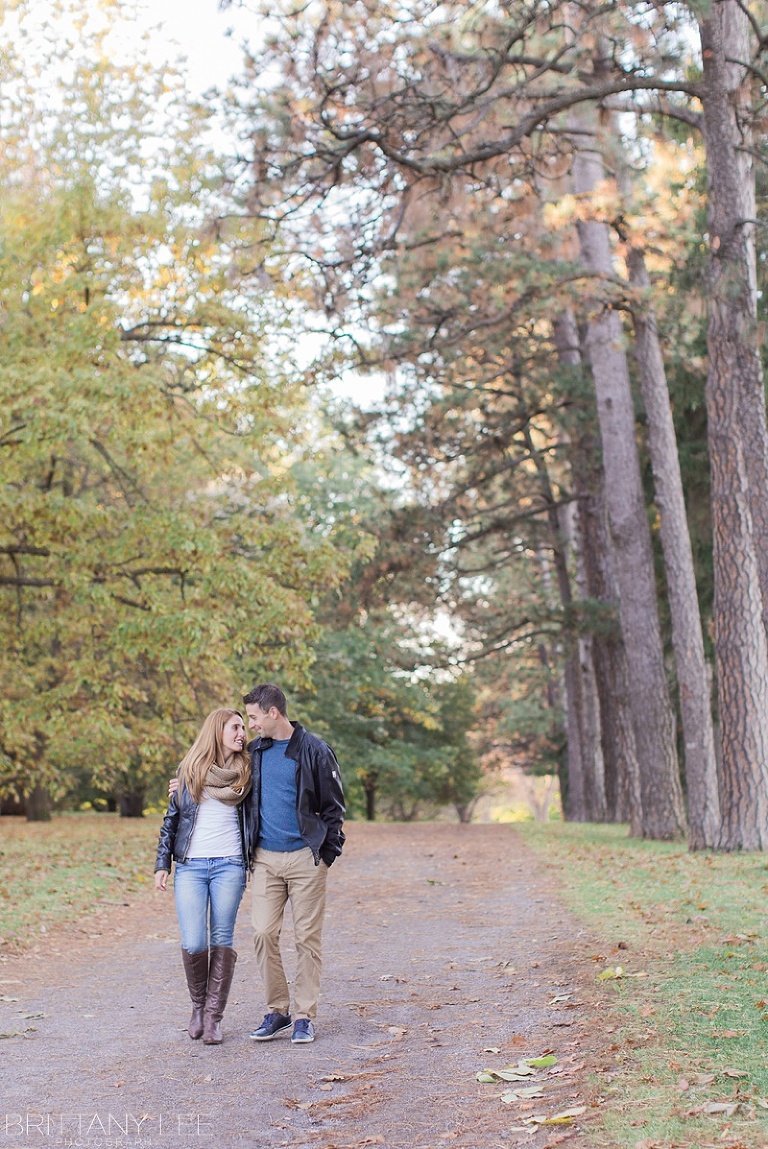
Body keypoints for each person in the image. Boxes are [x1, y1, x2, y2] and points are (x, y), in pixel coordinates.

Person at [243, 682, 345, 1045]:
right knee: (263, 933)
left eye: (254, 717)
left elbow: (334, 809)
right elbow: (221, 782)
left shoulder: (315, 751)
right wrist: (183, 788)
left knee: (307, 939)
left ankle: (304, 1015)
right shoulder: (253, 753)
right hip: (266, 859)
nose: (250, 724)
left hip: (306, 859)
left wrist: (325, 855)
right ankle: (277, 1011)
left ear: (273, 713)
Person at [154, 708, 254, 1045]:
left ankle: (213, 1017)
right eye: (235, 727)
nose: (242, 733)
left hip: (230, 865)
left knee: (221, 937)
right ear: (217, 731)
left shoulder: (248, 773)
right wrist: (161, 864)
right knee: (194, 940)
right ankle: (197, 1007)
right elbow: (171, 821)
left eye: (243, 727)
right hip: (191, 868)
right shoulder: (189, 772)